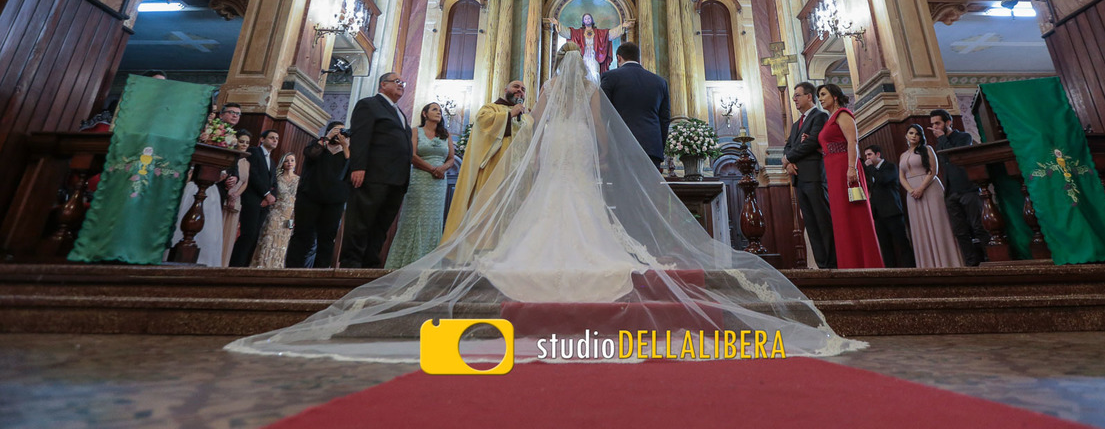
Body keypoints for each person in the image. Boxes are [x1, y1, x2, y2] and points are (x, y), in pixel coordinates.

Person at [227, 50, 863, 364]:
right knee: (603, 230)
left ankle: (519, 261)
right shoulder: (602, 109)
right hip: (592, 177)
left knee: (539, 230)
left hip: (558, 180)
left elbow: (534, 161)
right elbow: (601, 153)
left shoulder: (554, 117)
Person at [340, 73, 414, 268]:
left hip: (396, 180)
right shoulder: (369, 105)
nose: (401, 85)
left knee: (381, 226)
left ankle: (370, 265)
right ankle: (351, 265)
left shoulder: (399, 112)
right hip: (373, 175)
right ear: (383, 85)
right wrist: (358, 167)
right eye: (397, 81)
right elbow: (361, 137)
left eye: (402, 82)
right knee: (360, 222)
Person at [442, 79, 527, 242]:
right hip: (493, 170)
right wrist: (510, 115)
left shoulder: (525, 116)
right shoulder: (490, 108)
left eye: (523, 89)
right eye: (516, 87)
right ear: (505, 89)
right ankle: (483, 246)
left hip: (516, 173)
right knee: (488, 207)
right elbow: (483, 124)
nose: (520, 90)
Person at [816, 83, 883, 269]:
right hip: (833, 170)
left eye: (823, 94)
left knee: (854, 214)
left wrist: (851, 168)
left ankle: (867, 263)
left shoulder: (842, 114)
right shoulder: (829, 119)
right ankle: (849, 263)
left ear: (835, 96)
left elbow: (852, 142)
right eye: (819, 95)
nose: (820, 98)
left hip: (845, 167)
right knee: (841, 217)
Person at [386, 103, 455, 269]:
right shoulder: (415, 131)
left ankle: (429, 265)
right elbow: (412, 154)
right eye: (434, 109)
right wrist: (431, 168)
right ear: (424, 114)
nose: (438, 112)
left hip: (438, 182)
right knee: (414, 218)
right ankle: (403, 265)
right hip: (420, 178)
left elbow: (451, 158)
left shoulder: (445, 134)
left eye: (439, 110)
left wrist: (442, 169)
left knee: (433, 221)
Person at [782, 82, 836, 269]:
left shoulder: (819, 116)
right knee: (811, 225)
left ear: (808, 96)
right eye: (794, 96)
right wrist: (788, 163)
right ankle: (822, 265)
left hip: (814, 176)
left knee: (823, 221)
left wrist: (789, 158)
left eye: (797, 95)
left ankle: (832, 264)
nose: (795, 99)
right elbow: (788, 146)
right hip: (800, 179)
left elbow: (812, 142)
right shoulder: (797, 124)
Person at [285, 121, 351, 269]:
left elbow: (351, 170)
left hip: (334, 201)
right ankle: (292, 271)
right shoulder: (318, 144)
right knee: (302, 235)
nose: (339, 134)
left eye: (343, 131)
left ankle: (320, 273)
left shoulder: (348, 151)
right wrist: (327, 138)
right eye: (336, 131)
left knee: (327, 239)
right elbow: (311, 154)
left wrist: (346, 146)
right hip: (310, 197)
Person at [899, 124, 964, 268]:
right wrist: (911, 190)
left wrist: (921, 188)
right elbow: (901, 176)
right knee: (920, 228)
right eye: (911, 133)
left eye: (917, 133)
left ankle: (949, 263)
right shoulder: (903, 155)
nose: (914, 136)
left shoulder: (927, 149)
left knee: (938, 223)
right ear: (906, 135)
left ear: (921, 136)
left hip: (930, 189)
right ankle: (928, 265)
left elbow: (933, 171)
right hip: (912, 194)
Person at [930, 109, 987, 266]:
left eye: (938, 123)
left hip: (968, 188)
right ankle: (971, 264)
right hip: (951, 192)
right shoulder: (940, 142)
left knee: (978, 226)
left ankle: (990, 260)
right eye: (933, 124)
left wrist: (942, 138)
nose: (935, 127)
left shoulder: (963, 137)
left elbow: (954, 157)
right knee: (960, 231)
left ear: (948, 123)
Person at [599, 42, 670, 168]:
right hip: (651, 147)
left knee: (621, 188)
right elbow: (664, 120)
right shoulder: (660, 82)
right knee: (649, 187)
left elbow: (602, 113)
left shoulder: (610, 77)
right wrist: (658, 147)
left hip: (619, 147)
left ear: (618, 57)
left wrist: (602, 149)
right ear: (638, 58)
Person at [229, 128, 279, 267]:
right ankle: (235, 266)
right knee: (247, 235)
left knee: (255, 237)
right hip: (252, 199)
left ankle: (245, 267)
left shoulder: (272, 162)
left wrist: (272, 196)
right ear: (262, 139)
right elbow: (254, 175)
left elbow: (274, 182)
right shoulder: (254, 152)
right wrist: (266, 194)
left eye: (276, 139)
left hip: (264, 203)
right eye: (271, 137)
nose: (275, 140)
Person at [862, 145, 915, 268]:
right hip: (878, 215)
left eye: (869, 154)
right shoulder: (871, 171)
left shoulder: (889, 167)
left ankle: (910, 269)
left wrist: (870, 168)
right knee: (885, 247)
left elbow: (883, 179)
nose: (867, 158)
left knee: (902, 243)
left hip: (892, 212)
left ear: (878, 154)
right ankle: (891, 272)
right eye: (866, 156)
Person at [549, 13, 633, 81]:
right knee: (581, 76)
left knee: (595, 75)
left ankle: (595, 94)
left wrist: (622, 26)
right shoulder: (578, 33)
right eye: (585, 18)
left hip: (594, 57)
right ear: (583, 21)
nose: (587, 20)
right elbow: (568, 33)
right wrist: (557, 24)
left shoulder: (599, 33)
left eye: (589, 18)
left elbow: (610, 34)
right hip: (583, 58)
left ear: (592, 20)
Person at [251, 152, 299, 269]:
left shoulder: (299, 180)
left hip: (289, 215)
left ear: (295, 163)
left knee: (283, 243)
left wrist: (294, 219)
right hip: (275, 212)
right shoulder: (277, 178)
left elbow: (299, 201)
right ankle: (262, 265)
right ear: (283, 163)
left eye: (292, 160)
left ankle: (276, 268)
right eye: (287, 160)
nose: (289, 163)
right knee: (268, 239)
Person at [221, 130, 252, 267]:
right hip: (224, 194)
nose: (244, 144)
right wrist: (229, 191)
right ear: (236, 142)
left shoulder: (247, 162)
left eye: (247, 142)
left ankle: (224, 262)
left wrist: (236, 194)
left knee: (231, 232)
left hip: (237, 196)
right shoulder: (229, 157)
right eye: (241, 141)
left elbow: (245, 182)